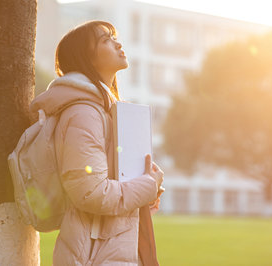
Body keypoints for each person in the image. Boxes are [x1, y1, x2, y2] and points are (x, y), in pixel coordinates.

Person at [29, 20, 164, 265]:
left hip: (111, 250)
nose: (118, 43)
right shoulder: (84, 113)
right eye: (106, 40)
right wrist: (147, 186)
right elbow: (90, 193)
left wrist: (147, 187)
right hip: (93, 256)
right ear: (87, 58)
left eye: (114, 37)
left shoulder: (104, 111)